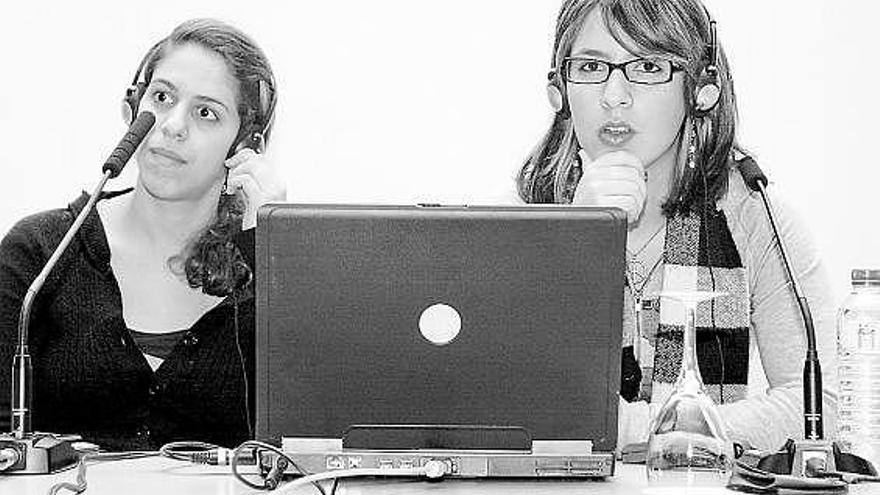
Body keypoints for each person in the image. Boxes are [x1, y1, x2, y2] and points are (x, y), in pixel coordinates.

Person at [517, 0, 837, 452]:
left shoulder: (755, 218)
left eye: (647, 66)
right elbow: (499, 398)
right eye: (591, 66)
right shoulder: (517, 223)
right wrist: (576, 239)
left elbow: (816, 411)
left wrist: (645, 432)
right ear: (560, 90)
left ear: (701, 88)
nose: (614, 96)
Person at [0, 18, 285, 451]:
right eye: (163, 97)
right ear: (133, 109)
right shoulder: (40, 251)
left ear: (245, 146)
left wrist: (271, 243)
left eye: (206, 112)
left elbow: (306, 437)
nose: (172, 125)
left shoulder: (271, 268)